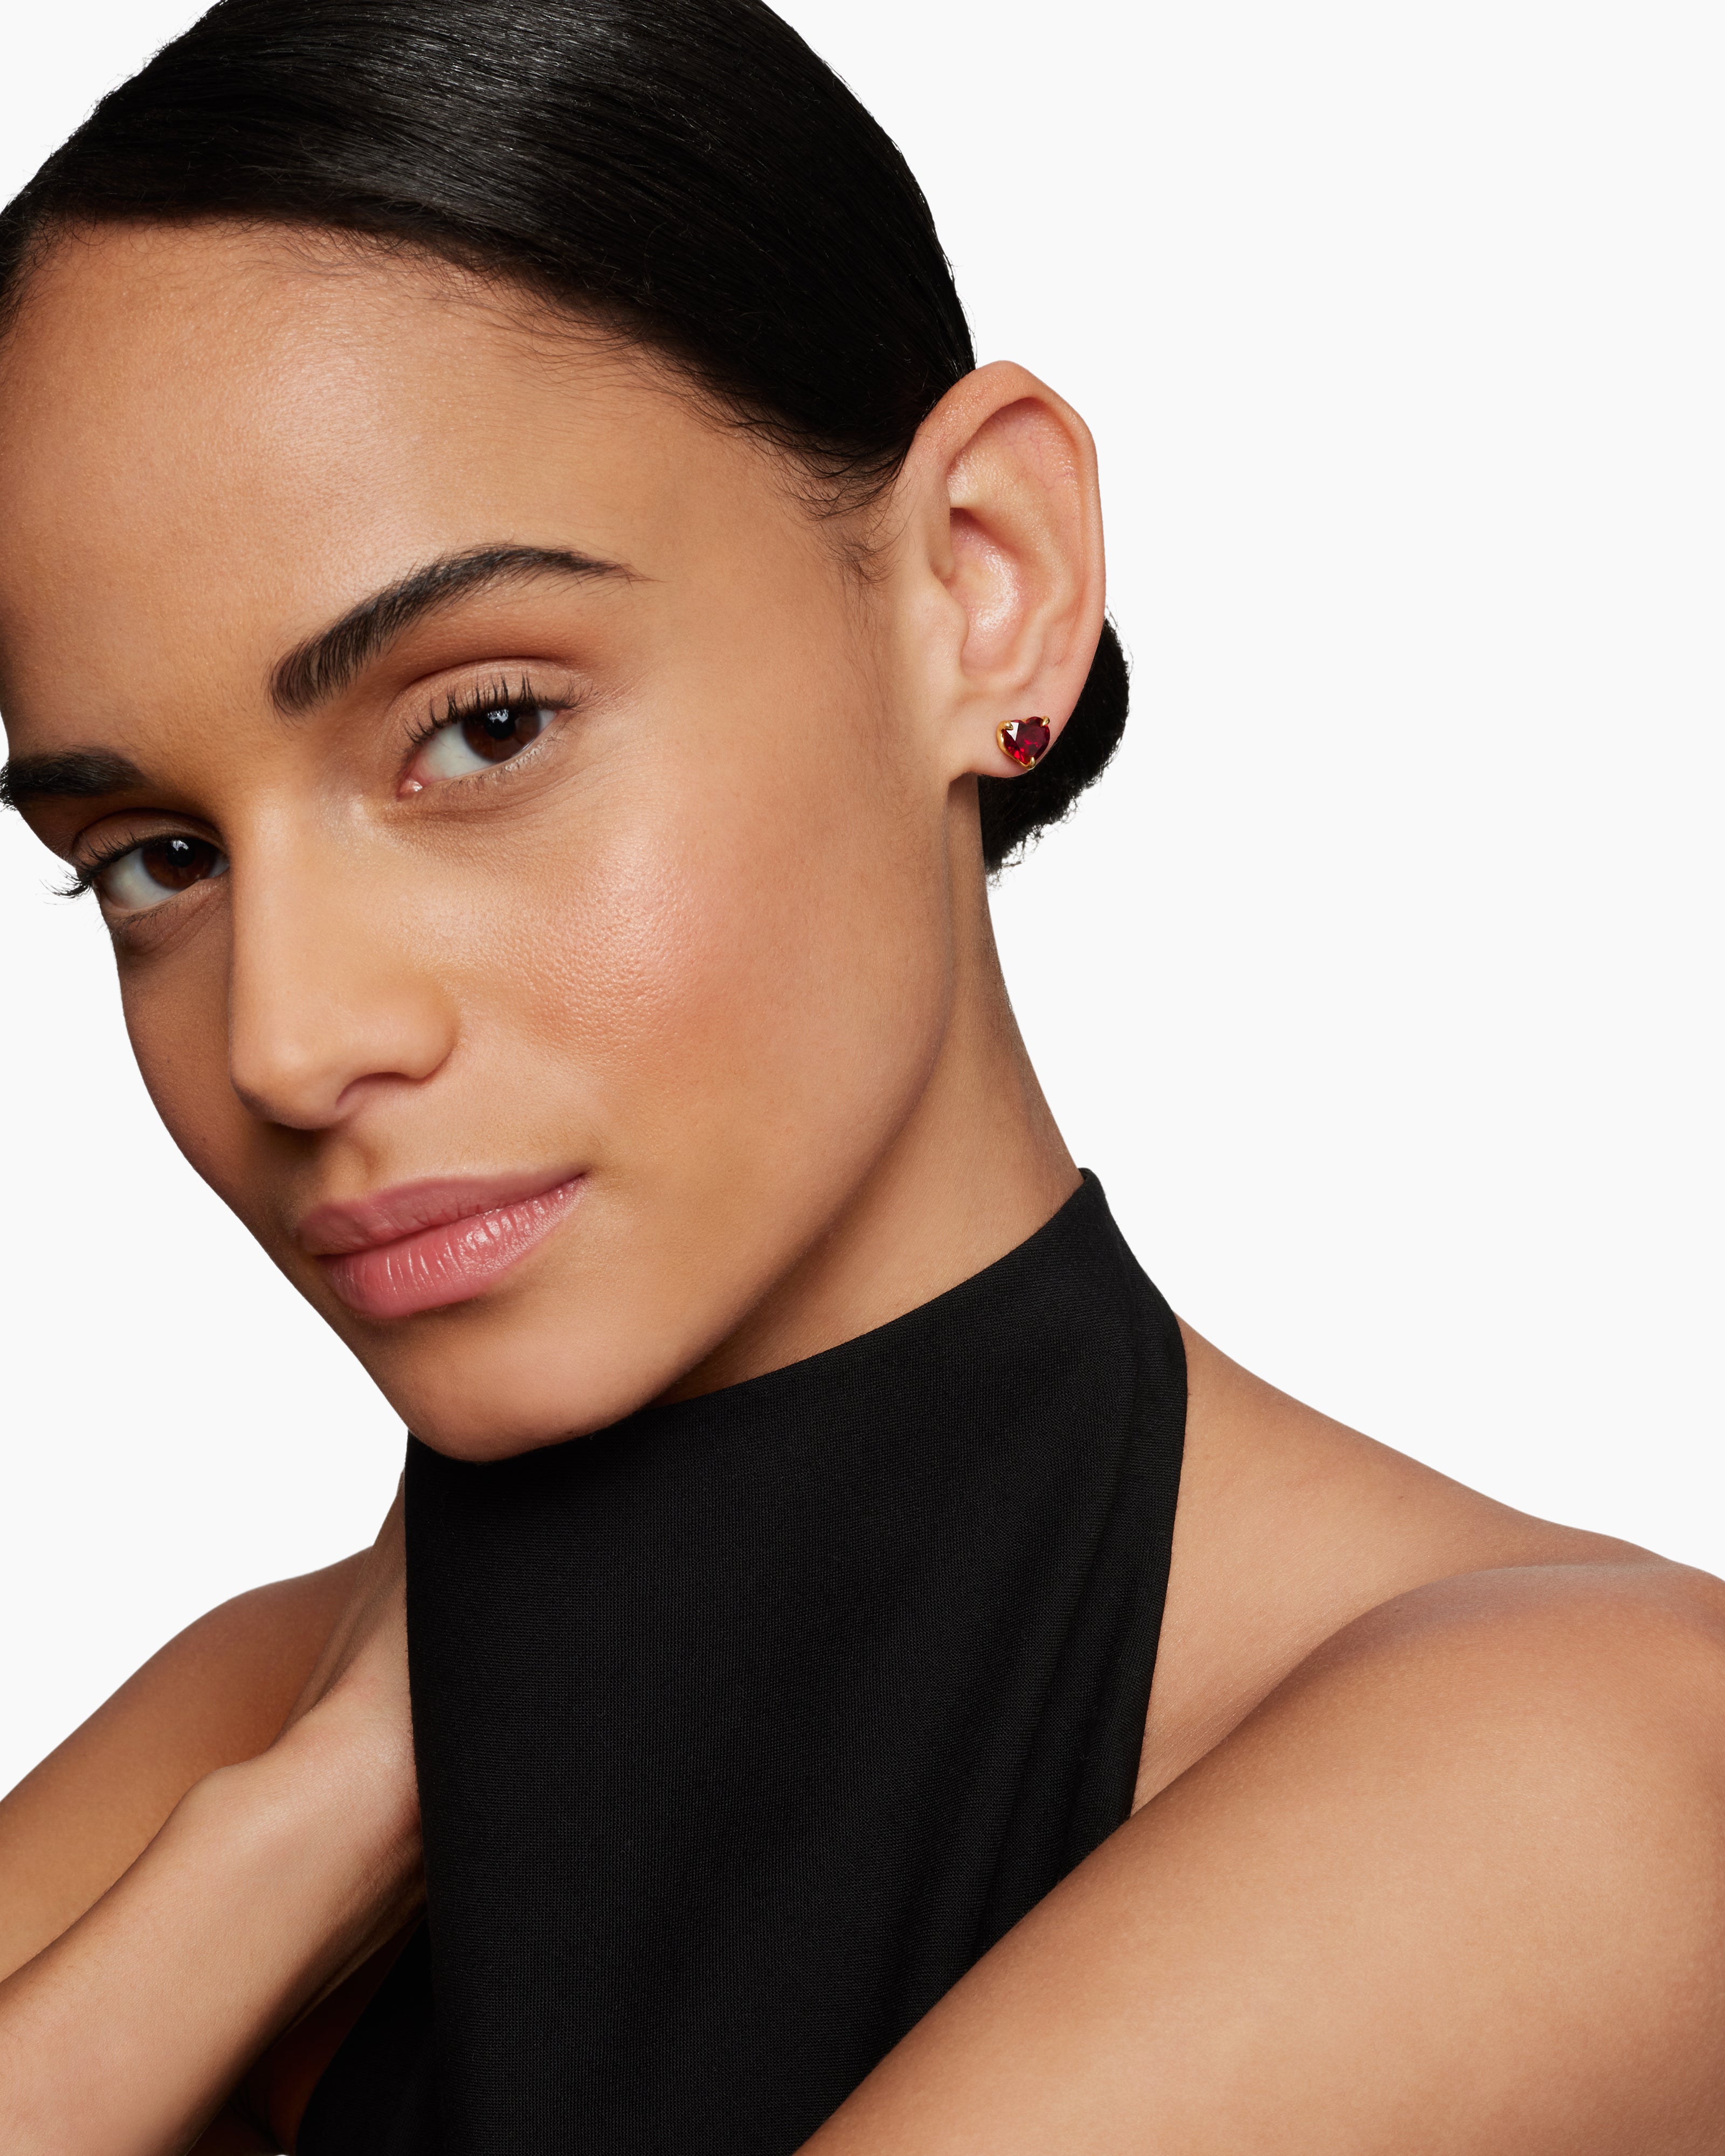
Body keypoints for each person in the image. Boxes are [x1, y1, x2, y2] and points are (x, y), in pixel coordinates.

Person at [0, 0, 1721, 2148]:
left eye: (486, 727)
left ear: (985, 586)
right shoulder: (244, 1735)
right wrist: (301, 1833)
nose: (287, 1039)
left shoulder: (1596, 1766)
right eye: (155, 857)